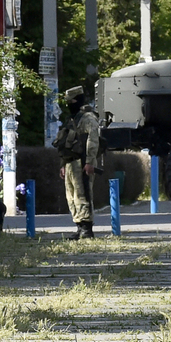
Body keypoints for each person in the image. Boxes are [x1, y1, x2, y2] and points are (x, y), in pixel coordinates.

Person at [55, 86, 100, 240]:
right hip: (69, 162)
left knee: (83, 194)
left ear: (78, 100)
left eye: (72, 101)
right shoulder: (72, 119)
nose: (69, 104)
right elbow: (65, 143)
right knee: (71, 196)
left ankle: (87, 228)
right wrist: (63, 164)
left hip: (82, 162)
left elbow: (93, 140)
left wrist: (89, 161)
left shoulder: (88, 118)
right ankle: (79, 226)